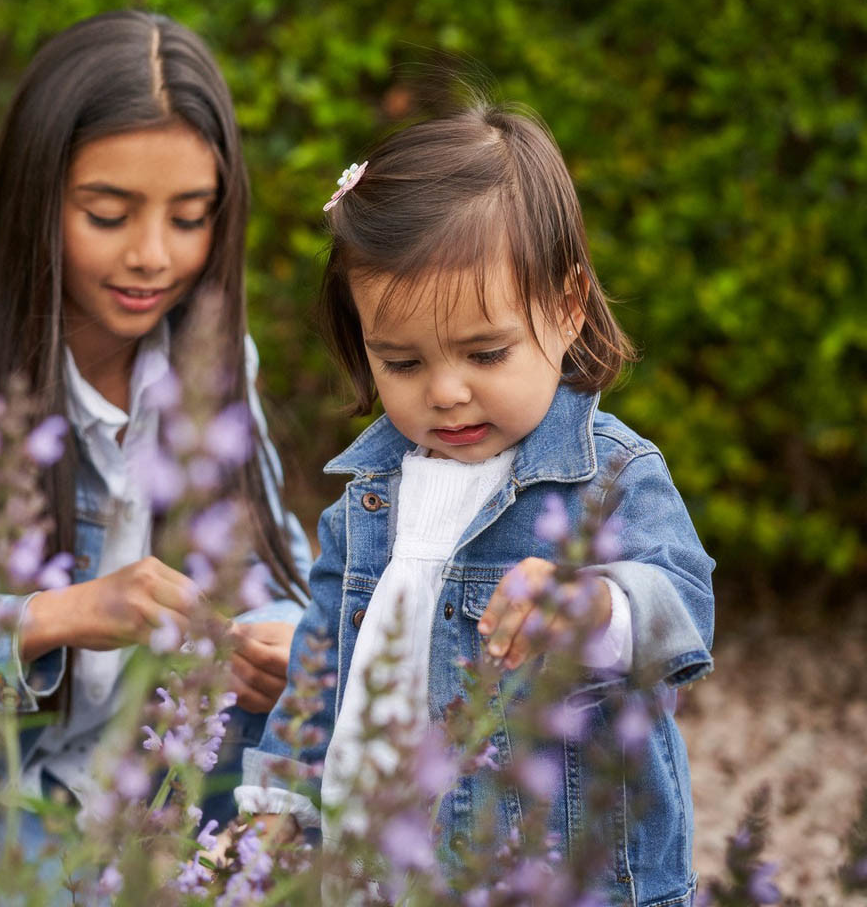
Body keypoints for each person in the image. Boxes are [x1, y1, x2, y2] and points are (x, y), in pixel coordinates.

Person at [0, 9, 311, 882]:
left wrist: (279, 644)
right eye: (109, 213)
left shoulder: (215, 370)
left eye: (190, 218)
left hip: (154, 810)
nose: (153, 256)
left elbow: (277, 571)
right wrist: (55, 616)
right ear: (37, 198)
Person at [235, 101, 714, 906]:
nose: (447, 392)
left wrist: (594, 603)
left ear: (565, 309)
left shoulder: (608, 476)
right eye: (402, 362)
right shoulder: (366, 502)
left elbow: (687, 612)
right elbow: (319, 672)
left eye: (485, 352)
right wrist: (275, 810)